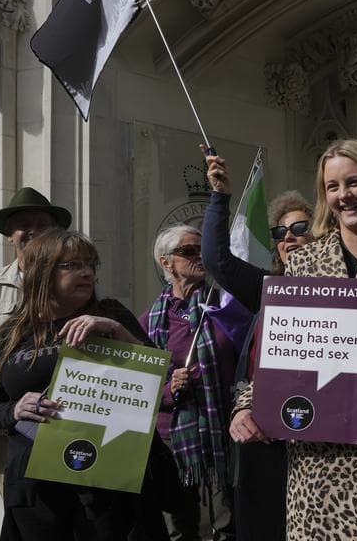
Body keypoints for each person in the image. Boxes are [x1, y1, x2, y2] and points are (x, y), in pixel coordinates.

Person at [231, 138, 357, 540]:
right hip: (319, 448)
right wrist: (246, 405)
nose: (344, 195)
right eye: (332, 186)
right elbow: (280, 349)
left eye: (354, 182)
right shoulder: (304, 263)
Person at [0, 229, 161, 540]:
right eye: (71, 265)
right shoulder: (12, 332)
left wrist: (116, 331)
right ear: (42, 273)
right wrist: (15, 409)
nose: (86, 272)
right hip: (35, 486)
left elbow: (160, 389)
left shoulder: (110, 315)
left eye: (91, 264)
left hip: (107, 483)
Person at [198, 146, 312, 541]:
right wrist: (220, 196)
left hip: (320, 443)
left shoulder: (347, 289)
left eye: (300, 228)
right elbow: (217, 260)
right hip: (263, 437)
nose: (289, 239)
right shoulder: (270, 289)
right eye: (280, 233)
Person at [0, 188, 71, 487]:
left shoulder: (75, 282)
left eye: (41, 224)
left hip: (70, 422)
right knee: (21, 516)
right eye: (23, 224)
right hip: (7, 426)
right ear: (10, 234)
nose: (32, 231)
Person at [142, 225, 238, 541]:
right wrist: (169, 390)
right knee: (180, 529)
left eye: (202, 250)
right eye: (188, 251)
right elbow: (137, 384)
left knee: (227, 525)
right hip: (173, 440)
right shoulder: (149, 321)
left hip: (222, 432)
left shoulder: (226, 306)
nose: (199, 256)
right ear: (165, 262)